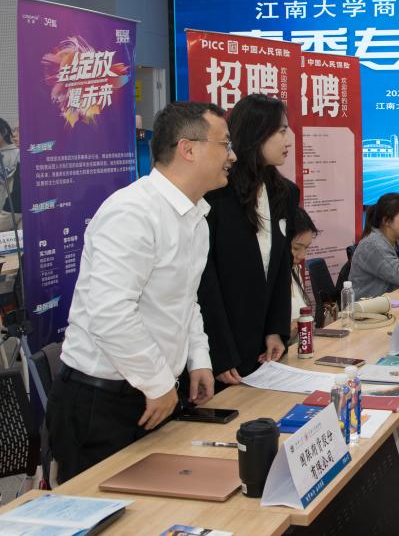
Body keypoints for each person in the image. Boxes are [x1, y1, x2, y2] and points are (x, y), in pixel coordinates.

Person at [47, 102, 231, 482]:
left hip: (152, 392)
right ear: (188, 149)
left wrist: (197, 359)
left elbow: (185, 298)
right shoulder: (133, 212)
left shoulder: (196, 218)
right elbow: (111, 314)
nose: (232, 156)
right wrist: (159, 382)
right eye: (224, 144)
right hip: (102, 402)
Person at [198, 94, 299, 385]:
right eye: (281, 131)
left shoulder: (285, 193)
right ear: (256, 134)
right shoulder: (217, 192)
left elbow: (281, 266)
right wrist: (218, 351)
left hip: (263, 348)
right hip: (219, 347)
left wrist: (275, 329)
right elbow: (205, 279)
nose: (289, 140)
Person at [289, 207, 319, 333]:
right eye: (296, 248)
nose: (302, 256)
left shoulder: (295, 270)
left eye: (306, 248)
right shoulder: (265, 279)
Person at [0, 118, 20, 233]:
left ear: (4, 132)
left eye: (18, 130)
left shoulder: (18, 154)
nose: (15, 134)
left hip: (9, 211)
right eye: (14, 130)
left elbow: (16, 188)